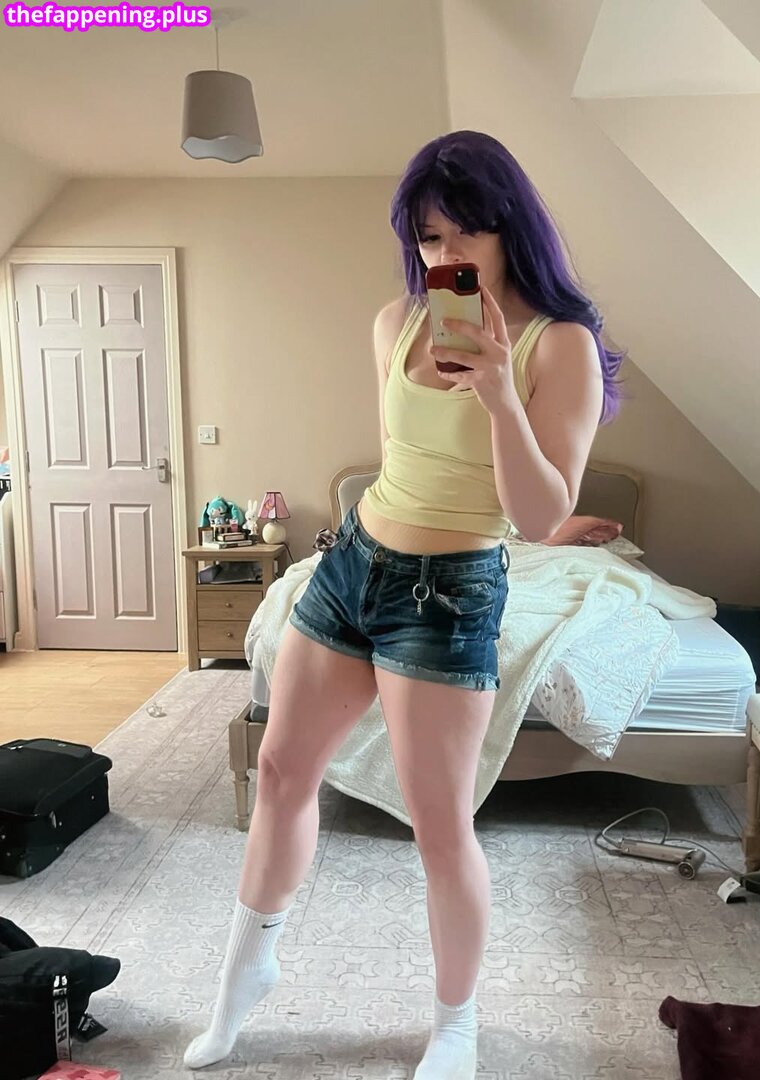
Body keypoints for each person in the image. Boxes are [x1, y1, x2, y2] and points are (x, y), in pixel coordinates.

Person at [183, 129, 625, 1077]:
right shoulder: (396, 323)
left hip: (449, 592)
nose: (446, 254)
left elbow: (538, 515)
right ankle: (243, 976)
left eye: (466, 230)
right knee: (280, 768)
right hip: (355, 564)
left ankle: (456, 1024)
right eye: (429, 237)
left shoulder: (560, 346)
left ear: (510, 227)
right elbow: (405, 462)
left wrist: (500, 395)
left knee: (437, 825)